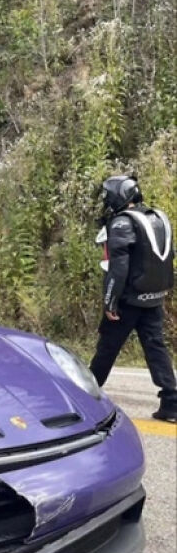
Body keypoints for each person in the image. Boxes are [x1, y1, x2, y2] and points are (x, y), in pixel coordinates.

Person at [89, 175, 176, 423]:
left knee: (107, 348)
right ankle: (171, 403)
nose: (106, 201)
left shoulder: (121, 223)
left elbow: (119, 267)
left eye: (108, 196)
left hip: (127, 301)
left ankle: (86, 396)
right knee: (156, 348)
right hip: (154, 298)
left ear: (118, 195)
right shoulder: (157, 217)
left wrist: (110, 300)